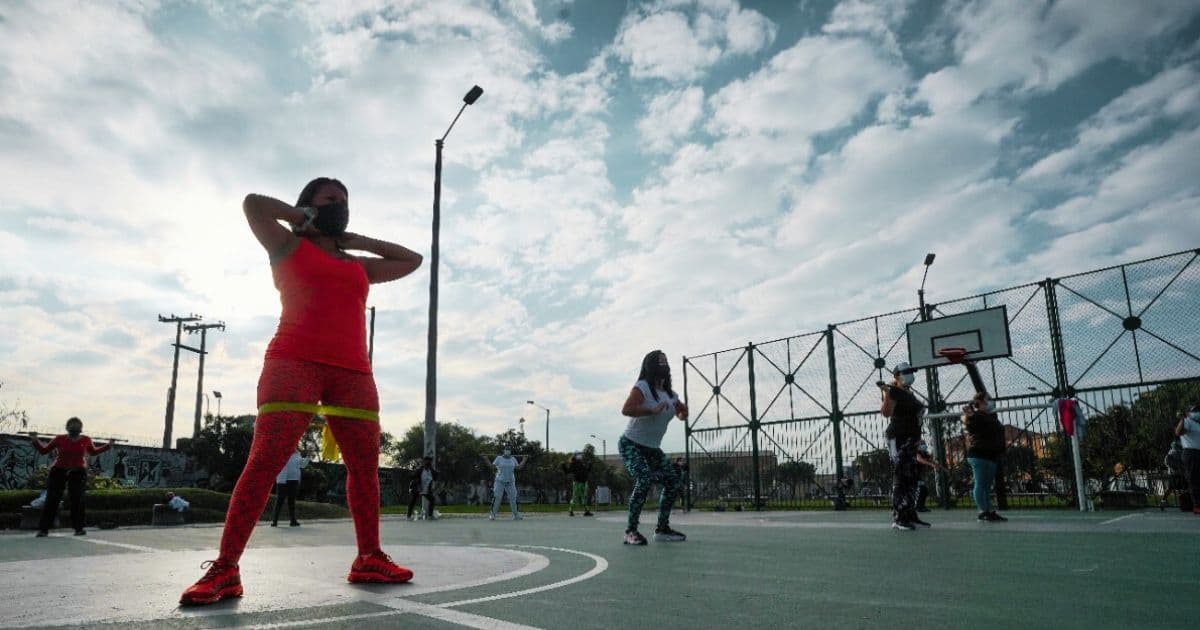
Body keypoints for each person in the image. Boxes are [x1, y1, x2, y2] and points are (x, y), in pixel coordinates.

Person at [180, 178, 423, 606]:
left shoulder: (358, 265)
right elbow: (253, 203)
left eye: (346, 201)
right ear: (309, 204)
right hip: (293, 362)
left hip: (353, 372)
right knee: (264, 463)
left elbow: (412, 259)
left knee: (364, 468)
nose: (340, 205)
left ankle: (369, 557)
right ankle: (226, 569)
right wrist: (305, 221)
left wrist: (353, 238)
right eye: (331, 199)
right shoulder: (286, 246)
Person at [619, 350, 689, 545]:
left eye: (666, 361)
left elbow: (683, 412)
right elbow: (627, 409)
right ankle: (630, 531)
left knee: (673, 482)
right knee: (644, 478)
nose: (664, 365)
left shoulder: (670, 395)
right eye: (660, 361)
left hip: (652, 449)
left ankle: (662, 529)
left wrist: (682, 413)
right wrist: (651, 410)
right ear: (651, 366)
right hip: (631, 444)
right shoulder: (642, 387)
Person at [29, 417, 112, 537]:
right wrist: (35, 441)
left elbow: (93, 452)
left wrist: (108, 446)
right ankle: (44, 529)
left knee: (77, 499)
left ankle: (78, 528)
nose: (74, 428)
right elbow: (44, 450)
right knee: (52, 499)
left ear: (80, 429)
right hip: (59, 470)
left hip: (78, 471)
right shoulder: (60, 439)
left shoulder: (86, 439)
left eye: (77, 426)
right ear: (67, 428)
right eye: (72, 425)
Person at [879, 363, 929, 530]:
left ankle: (910, 514)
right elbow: (886, 413)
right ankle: (899, 517)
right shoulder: (894, 392)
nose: (910, 375)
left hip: (912, 438)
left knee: (913, 477)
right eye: (906, 372)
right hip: (898, 437)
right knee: (901, 476)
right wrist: (887, 394)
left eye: (911, 372)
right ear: (897, 376)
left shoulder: (910, 394)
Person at [1174, 403, 1200, 515]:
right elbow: (1178, 432)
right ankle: (1197, 505)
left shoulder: (1197, 424)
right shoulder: (1187, 421)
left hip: (1198, 452)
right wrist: (1182, 419)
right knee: (1194, 479)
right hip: (1191, 453)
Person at [271, 450, 309, 527]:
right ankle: (274, 521)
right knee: (280, 500)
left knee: (291, 500)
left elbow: (303, 465)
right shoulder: (282, 452)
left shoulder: (297, 454)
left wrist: (308, 457)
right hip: (282, 480)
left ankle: (293, 521)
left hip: (294, 480)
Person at [488, 449, 526, 520]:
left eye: (509, 449)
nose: (507, 451)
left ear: (510, 451)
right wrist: (485, 459)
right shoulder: (499, 458)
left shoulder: (513, 459)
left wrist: (524, 459)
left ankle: (516, 514)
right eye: (506, 449)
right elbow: (492, 466)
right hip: (499, 481)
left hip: (510, 482)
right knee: (497, 497)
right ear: (504, 451)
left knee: (513, 498)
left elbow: (518, 467)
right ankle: (492, 514)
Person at [562, 452, 593, 517]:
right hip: (577, 483)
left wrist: (590, 465)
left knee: (584, 497)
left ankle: (586, 511)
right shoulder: (573, 464)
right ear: (575, 456)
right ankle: (570, 510)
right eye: (579, 455)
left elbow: (587, 471)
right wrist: (563, 466)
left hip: (584, 482)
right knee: (575, 497)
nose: (580, 456)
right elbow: (567, 471)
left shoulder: (581, 463)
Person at [406, 456, 438, 521]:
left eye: (429, 461)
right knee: (413, 501)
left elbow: (435, 479)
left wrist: (434, 487)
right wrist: (417, 486)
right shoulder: (419, 470)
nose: (428, 462)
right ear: (423, 462)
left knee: (432, 499)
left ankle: (430, 516)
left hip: (427, 490)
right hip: (417, 489)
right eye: (426, 461)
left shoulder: (432, 471)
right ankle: (408, 516)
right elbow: (412, 477)